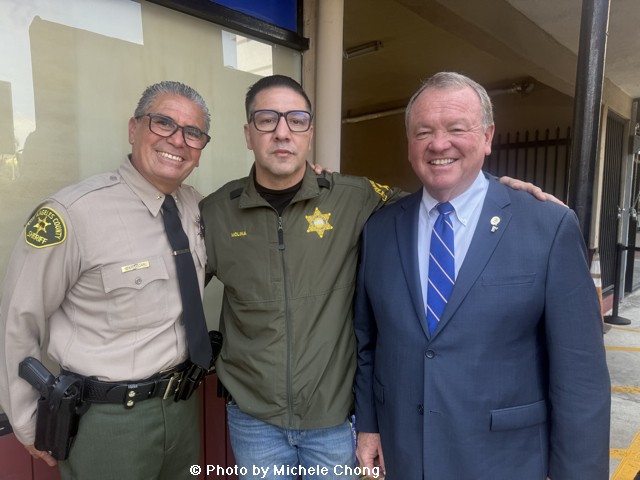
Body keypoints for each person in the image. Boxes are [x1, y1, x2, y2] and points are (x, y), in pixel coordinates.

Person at [199, 74, 559, 480]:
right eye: (266, 120)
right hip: (253, 419)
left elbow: (441, 199)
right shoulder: (215, 213)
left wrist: (499, 190)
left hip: (332, 421)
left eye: (296, 120)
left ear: (310, 133)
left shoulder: (355, 197)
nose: (282, 132)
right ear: (248, 134)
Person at [354, 71, 611, 480]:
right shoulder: (380, 229)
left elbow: (581, 377)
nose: (439, 144)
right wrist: (368, 424)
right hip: (403, 458)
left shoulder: (547, 226)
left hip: (504, 462)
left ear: (488, 136)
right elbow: (368, 343)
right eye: (423, 131)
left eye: (457, 128)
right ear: (409, 143)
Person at [0, 80, 213, 479]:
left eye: (193, 133)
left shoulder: (197, 207)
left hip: (183, 406)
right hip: (107, 421)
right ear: (134, 129)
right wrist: (27, 419)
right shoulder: (72, 214)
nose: (178, 140)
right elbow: (18, 319)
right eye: (163, 123)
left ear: (201, 150)